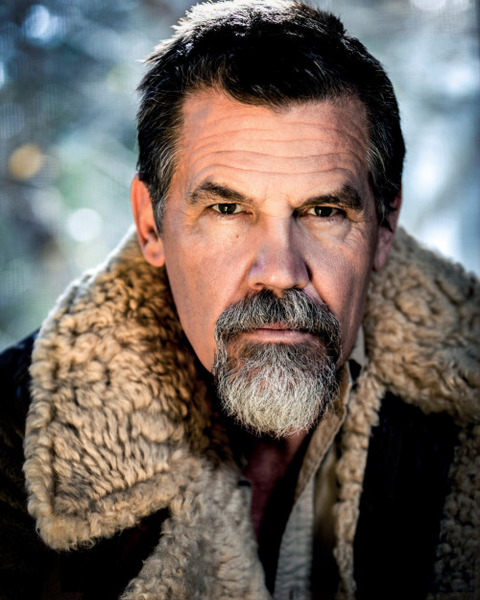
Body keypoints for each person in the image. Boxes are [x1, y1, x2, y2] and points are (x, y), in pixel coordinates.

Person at [1, 1, 478, 599]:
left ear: (385, 227)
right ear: (150, 225)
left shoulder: (468, 415)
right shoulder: (10, 445)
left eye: (324, 210)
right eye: (227, 209)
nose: (279, 272)